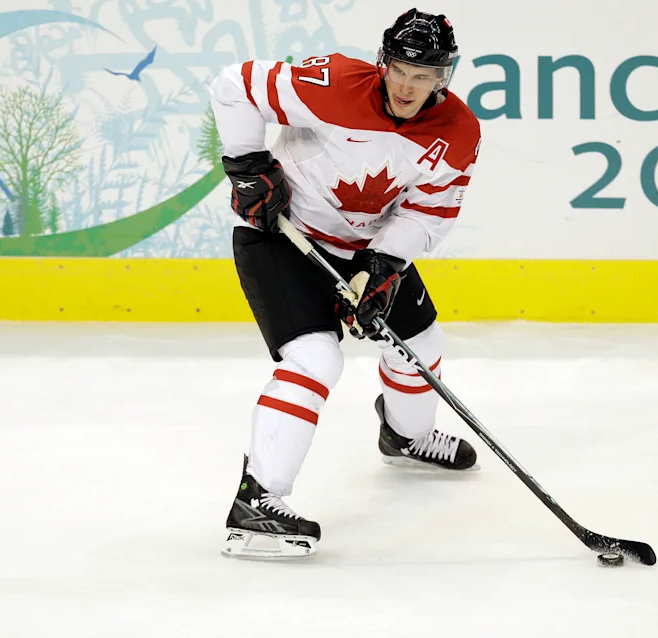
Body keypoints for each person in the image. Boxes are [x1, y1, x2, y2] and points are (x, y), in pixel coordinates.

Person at [210, 8, 482, 560]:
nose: (409, 85)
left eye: (425, 75)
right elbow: (233, 86)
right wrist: (247, 164)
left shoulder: (459, 132)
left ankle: (404, 437)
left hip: (363, 248)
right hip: (282, 236)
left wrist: (384, 266)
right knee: (315, 359)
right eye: (401, 69)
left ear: (443, 78)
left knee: (421, 347)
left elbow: (429, 213)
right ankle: (257, 500)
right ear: (383, 63)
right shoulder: (331, 84)